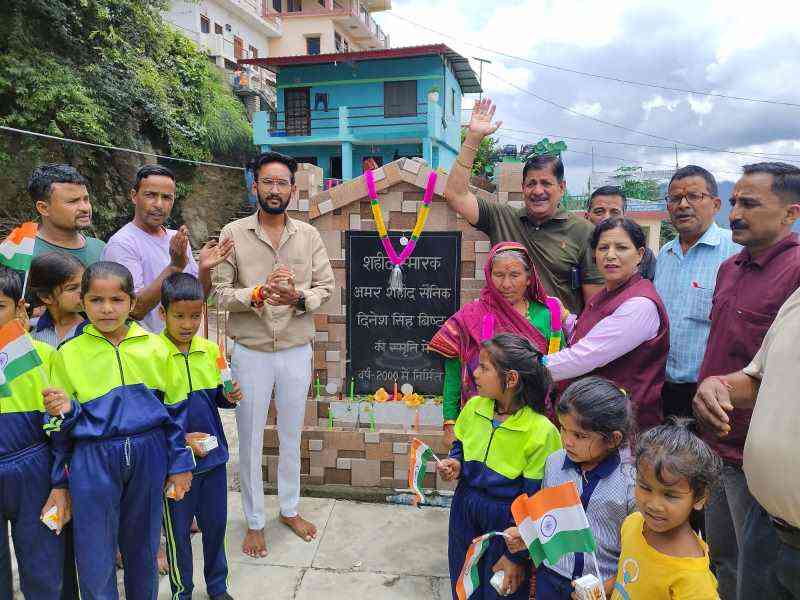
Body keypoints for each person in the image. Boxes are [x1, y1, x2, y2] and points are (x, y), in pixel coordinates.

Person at [42, 261, 195, 600]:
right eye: (96, 300)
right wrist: (59, 480)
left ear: (132, 302)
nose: (107, 309)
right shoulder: (68, 354)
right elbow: (55, 424)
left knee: (142, 544)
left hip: (149, 451)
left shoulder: (156, 348)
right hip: (93, 457)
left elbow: (175, 410)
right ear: (83, 302)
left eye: (117, 299)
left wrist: (180, 462)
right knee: (94, 550)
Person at [213, 151, 335, 558]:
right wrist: (258, 293)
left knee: (290, 435)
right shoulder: (233, 232)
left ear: (293, 190)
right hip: (251, 351)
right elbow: (218, 292)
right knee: (249, 438)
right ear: (255, 186)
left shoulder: (308, 235)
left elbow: (325, 287)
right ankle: (253, 521)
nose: (275, 189)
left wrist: (298, 296)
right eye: (268, 181)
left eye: (282, 183)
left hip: (296, 349)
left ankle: (289, 509)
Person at [695, 161, 800, 600]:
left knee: (754, 569)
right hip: (713, 442)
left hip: (751, 460)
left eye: (750, 203)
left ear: (790, 214)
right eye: (734, 201)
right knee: (721, 556)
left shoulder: (796, 273)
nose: (734, 212)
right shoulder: (730, 268)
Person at [444, 99, 604, 315]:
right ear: (523, 187)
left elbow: (594, 304)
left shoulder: (584, 231)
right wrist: (472, 139)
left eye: (546, 183)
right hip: (506, 341)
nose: (538, 191)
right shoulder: (502, 217)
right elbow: (455, 195)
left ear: (561, 187)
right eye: (531, 184)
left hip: (556, 342)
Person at [437, 333, 562, 599]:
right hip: (465, 508)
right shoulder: (473, 408)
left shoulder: (541, 432)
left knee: (501, 587)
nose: (475, 373)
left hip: (507, 521)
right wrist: (456, 463)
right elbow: (461, 444)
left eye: (484, 368)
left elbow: (535, 499)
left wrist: (516, 554)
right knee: (464, 579)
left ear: (511, 378)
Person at [505, 377, 635, 599]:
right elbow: (548, 518)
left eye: (580, 435)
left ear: (613, 439)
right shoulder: (554, 463)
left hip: (600, 586)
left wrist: (611, 585)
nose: (567, 441)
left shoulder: (630, 482)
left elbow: (637, 551)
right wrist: (527, 535)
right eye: (563, 429)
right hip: (551, 578)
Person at [429, 241, 564, 447]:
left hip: (532, 426)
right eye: (499, 275)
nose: (506, 284)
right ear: (489, 276)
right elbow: (454, 373)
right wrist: (450, 423)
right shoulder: (472, 315)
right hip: (482, 422)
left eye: (515, 275)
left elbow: (559, 372)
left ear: (529, 278)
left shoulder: (547, 316)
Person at [159, 273, 242, 600]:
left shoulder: (211, 350)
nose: (187, 323)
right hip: (175, 464)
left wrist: (230, 394)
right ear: (163, 314)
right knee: (178, 532)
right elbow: (153, 414)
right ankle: (182, 591)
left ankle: (218, 588)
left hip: (213, 459)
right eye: (179, 316)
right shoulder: (153, 354)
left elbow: (219, 396)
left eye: (195, 316)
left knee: (216, 528)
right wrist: (181, 442)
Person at [544, 218, 669, 433]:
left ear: (639, 255)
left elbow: (584, 356)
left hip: (621, 424)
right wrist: (566, 318)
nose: (610, 255)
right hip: (592, 416)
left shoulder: (640, 304)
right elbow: (594, 334)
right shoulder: (608, 292)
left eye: (621, 247)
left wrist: (529, 366)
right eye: (603, 248)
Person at [0, 266, 69, 599]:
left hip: (35, 472)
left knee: (43, 568)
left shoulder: (45, 357)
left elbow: (60, 432)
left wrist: (59, 485)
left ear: (20, 307)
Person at [102, 164, 233, 333]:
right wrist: (174, 267)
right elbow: (135, 309)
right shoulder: (122, 244)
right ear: (134, 196)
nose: (159, 204)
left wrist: (205, 268)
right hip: (146, 350)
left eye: (166, 197)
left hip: (181, 346)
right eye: (150, 195)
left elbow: (197, 297)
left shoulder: (175, 238)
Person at [654, 165, 739, 420]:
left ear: (715, 204)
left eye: (693, 196)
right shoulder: (665, 255)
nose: (682, 204)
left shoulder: (735, 253)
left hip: (711, 391)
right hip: (662, 388)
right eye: (674, 198)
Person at [26, 251, 87, 599]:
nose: (83, 294)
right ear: (46, 297)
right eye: (74, 288)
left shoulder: (93, 331)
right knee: (56, 529)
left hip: (86, 445)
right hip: (47, 450)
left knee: (90, 533)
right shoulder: (32, 338)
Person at [610, 419, 721, 599]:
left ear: (699, 498)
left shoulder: (691, 578)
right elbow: (629, 580)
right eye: (645, 488)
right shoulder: (633, 523)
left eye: (670, 495)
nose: (654, 504)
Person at [28, 164, 106, 265]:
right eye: (73, 201)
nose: (85, 208)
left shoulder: (100, 248)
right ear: (44, 208)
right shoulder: (22, 254)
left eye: (86, 199)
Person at [585, 186, 657, 281]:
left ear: (624, 216)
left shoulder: (644, 255)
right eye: (599, 212)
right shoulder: (578, 250)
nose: (607, 218)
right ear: (587, 216)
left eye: (614, 212)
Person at [28, 252, 88, 346]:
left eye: (85, 285)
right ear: (46, 297)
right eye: (72, 288)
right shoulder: (30, 330)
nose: (83, 292)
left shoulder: (97, 327)